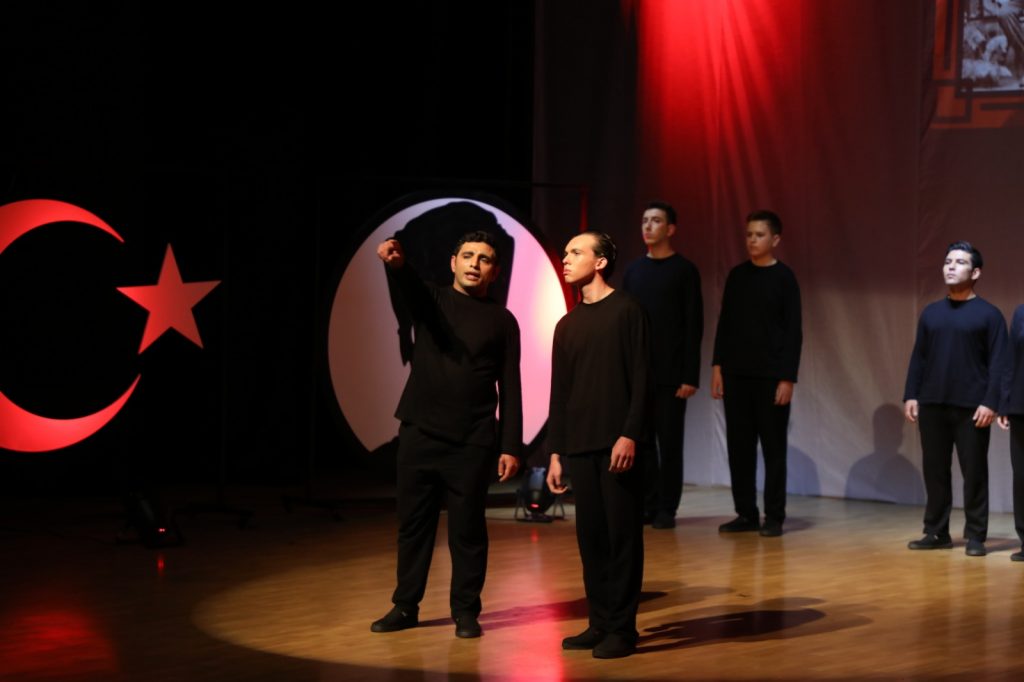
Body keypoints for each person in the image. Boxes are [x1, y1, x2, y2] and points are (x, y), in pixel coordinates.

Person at [370, 231, 522, 638]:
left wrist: (510, 445)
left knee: (467, 531)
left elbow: (510, 384)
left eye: (484, 259)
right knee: (413, 526)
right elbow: (410, 287)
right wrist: (397, 265)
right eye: (467, 256)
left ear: (495, 271)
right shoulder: (433, 299)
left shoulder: (502, 320)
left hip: (472, 441)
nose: (475, 263)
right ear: (453, 262)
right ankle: (405, 606)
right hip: (420, 432)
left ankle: (466, 611)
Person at [546, 231, 650, 659]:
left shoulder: (627, 311)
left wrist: (630, 433)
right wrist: (555, 452)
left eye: (576, 252)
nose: (566, 259)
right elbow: (560, 391)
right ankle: (600, 621)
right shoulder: (567, 325)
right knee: (591, 538)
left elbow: (643, 376)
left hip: (617, 442)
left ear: (601, 261)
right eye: (566, 252)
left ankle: (622, 629)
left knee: (621, 536)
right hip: (580, 444)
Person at [904, 240, 1007, 557]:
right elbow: (919, 357)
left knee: (974, 472)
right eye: (948, 261)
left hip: (972, 407)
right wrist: (911, 394)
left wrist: (991, 402)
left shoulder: (989, 315)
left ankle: (975, 536)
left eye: (960, 262)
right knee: (935, 470)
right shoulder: (931, 313)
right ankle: (936, 532)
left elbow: (999, 364)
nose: (951, 266)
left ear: (975, 272)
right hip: (933, 402)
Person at [711, 210, 802, 537]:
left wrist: (787, 377)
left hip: (770, 377)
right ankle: (745, 513)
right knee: (740, 447)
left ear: (775, 239)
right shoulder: (737, 276)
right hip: (737, 374)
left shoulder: (784, 278)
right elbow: (725, 324)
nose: (752, 240)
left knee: (773, 448)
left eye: (759, 235)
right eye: (749, 234)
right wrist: (718, 367)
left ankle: (774, 515)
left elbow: (793, 331)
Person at [623, 200, 703, 529]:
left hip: (671, 374)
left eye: (655, 221)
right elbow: (625, 324)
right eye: (644, 220)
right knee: (641, 443)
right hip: (638, 373)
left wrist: (689, 374)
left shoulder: (684, 271)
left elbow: (693, 325)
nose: (648, 226)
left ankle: (668, 507)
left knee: (669, 444)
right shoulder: (633, 271)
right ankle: (647, 503)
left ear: (670, 229)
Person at [998, 304, 1024, 562]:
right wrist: (1004, 403)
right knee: (1022, 475)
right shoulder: (1021, 313)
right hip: (1020, 407)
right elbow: (1010, 362)